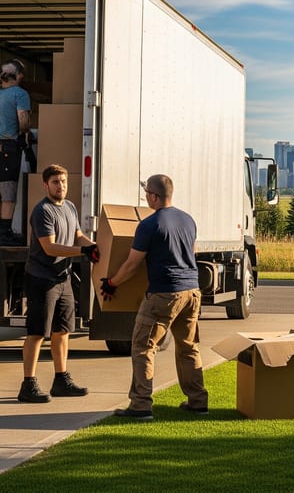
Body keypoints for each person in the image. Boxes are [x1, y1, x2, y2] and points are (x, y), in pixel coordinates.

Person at [100, 173, 208, 420]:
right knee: (188, 347)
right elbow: (193, 253)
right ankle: (198, 401)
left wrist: (112, 283)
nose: (145, 196)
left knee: (142, 347)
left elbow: (132, 265)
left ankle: (140, 405)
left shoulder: (149, 225)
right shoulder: (188, 220)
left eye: (146, 192)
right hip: (192, 292)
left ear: (154, 196)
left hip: (164, 293)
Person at [19, 163, 98, 403]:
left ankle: (61, 380)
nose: (60, 186)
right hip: (42, 279)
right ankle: (28, 385)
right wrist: (82, 252)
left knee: (63, 331)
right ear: (45, 185)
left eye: (63, 181)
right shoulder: (42, 211)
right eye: (55, 182)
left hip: (63, 278)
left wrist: (92, 245)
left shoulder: (70, 207)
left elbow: (77, 235)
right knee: (37, 333)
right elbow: (50, 247)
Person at [0, 58, 31, 245]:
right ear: (18, 76)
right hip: (6, 147)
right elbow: (23, 119)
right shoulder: (20, 93)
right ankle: (5, 231)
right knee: (8, 190)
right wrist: (24, 135)